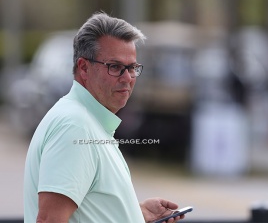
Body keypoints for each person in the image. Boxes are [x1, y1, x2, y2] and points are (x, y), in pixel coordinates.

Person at [24, 12, 185, 223]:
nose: (127, 78)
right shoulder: (75, 125)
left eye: (132, 68)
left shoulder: (87, 121)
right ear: (84, 68)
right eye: (115, 67)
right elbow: (49, 220)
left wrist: (134, 213)